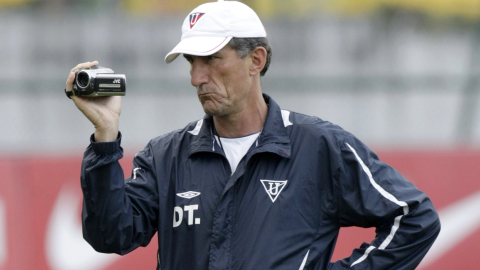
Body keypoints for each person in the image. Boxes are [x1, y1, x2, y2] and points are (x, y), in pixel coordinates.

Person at [66, 0, 440, 269]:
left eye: (211, 59)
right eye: (191, 62)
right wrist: (104, 136)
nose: (197, 77)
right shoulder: (165, 156)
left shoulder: (320, 146)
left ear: (256, 60)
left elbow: (415, 218)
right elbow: (109, 236)